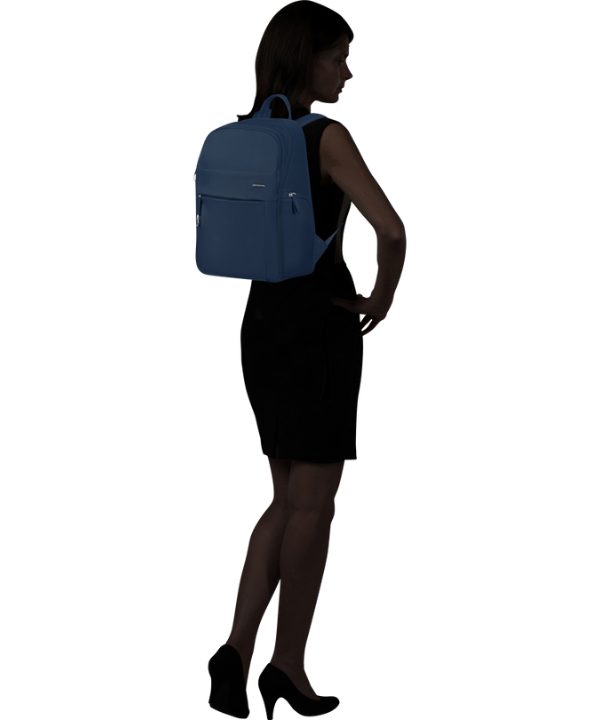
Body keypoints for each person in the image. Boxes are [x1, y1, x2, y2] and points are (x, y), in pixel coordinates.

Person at [208, 3, 407, 717]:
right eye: (338, 58)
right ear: (304, 59)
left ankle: (235, 650)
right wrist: (380, 301)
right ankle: (286, 667)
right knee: (314, 508)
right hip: (318, 332)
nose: (349, 72)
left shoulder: (246, 130)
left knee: (284, 499)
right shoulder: (324, 135)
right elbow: (391, 230)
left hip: (261, 328)